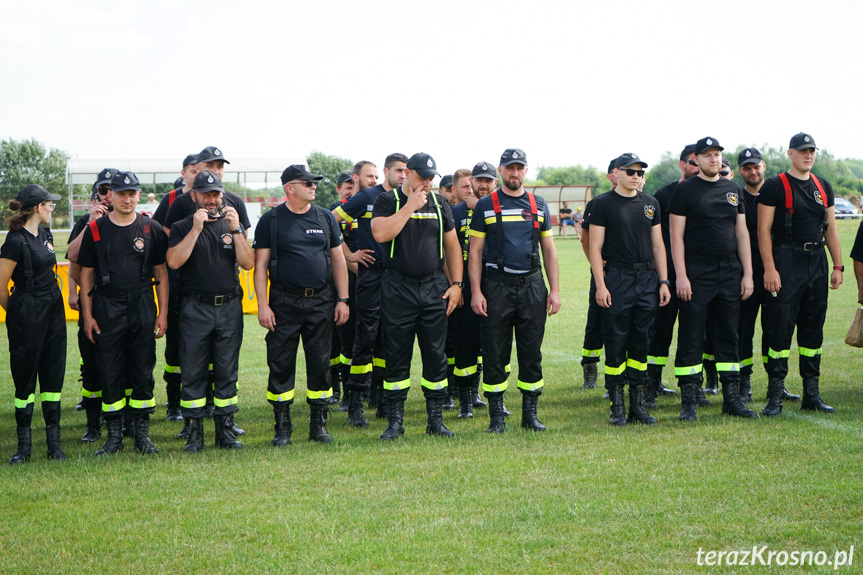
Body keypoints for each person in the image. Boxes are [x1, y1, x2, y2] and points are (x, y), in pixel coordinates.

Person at [254, 164, 350, 445]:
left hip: (321, 300)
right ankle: (282, 425)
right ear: (290, 188)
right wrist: (263, 305)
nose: (313, 186)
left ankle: (318, 424)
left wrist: (343, 299)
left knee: (321, 362)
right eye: (307, 183)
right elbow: (259, 267)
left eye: (314, 183)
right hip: (283, 302)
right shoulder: (270, 220)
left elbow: (338, 260)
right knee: (280, 362)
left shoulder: (325, 218)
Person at [371, 152, 463, 440]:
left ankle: (435, 420)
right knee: (396, 354)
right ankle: (395, 421)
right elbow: (381, 235)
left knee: (435, 355)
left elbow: (452, 247)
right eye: (422, 177)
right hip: (398, 287)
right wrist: (410, 206)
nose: (426, 183)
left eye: (430, 178)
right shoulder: (388, 201)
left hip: (434, 286)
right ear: (407, 173)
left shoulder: (439, 203)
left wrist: (456, 284)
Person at [469, 148, 561, 433]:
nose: (514, 173)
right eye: (509, 168)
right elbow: (475, 253)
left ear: (525, 171)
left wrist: (554, 290)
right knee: (495, 352)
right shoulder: (485, 206)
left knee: (531, 352)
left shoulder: (538, 204)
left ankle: (529, 414)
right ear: (501, 170)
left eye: (519, 168)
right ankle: (496, 415)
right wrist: (476, 291)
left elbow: (549, 250)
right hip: (496, 286)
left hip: (533, 287)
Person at [77, 171, 169, 455]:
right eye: (121, 194)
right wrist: (88, 316)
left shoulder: (149, 227)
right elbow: (85, 277)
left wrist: (163, 313)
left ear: (138, 196)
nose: (127, 199)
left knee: (143, 369)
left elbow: (162, 275)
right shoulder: (96, 229)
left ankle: (141, 434)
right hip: (107, 305)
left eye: (132, 194)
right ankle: (113, 435)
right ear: (111, 196)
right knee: (110, 370)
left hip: (141, 303)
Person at [162, 147, 250, 438]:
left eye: (216, 194)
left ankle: (225, 430)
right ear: (195, 196)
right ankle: (194, 430)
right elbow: (173, 262)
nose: (212, 200)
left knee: (226, 369)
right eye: (206, 195)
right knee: (194, 370)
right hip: (195, 306)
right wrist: (196, 229)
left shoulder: (231, 221)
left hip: (228, 306)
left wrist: (236, 231)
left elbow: (248, 263)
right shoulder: (183, 224)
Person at [669, 137, 757, 421]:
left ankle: (731, 399)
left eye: (717, 154)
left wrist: (748, 274)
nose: (714, 160)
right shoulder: (685, 191)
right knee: (692, 335)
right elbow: (676, 237)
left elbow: (741, 234)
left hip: (730, 271)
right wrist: (681, 276)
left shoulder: (733, 190)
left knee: (728, 334)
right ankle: (689, 401)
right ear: (696, 160)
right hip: (696, 272)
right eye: (707, 155)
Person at [758, 133, 843, 416]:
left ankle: (812, 393)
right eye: (803, 151)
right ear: (790, 153)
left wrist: (838, 265)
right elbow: (763, 231)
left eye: (812, 151)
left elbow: (830, 228)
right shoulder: (774, 186)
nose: (808, 155)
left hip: (816, 261)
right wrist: (770, 268)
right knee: (780, 328)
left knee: (813, 327)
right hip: (786, 260)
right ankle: (775, 395)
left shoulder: (823, 186)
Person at [588, 154, 670, 425]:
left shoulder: (651, 204)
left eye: (639, 172)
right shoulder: (602, 204)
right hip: (618, 278)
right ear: (616, 173)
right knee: (616, 341)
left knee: (641, 341)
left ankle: (638, 404)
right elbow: (595, 248)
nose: (636, 176)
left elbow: (658, 246)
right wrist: (601, 285)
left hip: (647, 278)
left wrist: (664, 281)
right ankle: (617, 405)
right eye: (630, 171)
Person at [333, 154, 407, 426]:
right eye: (398, 170)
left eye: (406, 171)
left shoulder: (405, 199)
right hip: (371, 277)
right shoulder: (366, 197)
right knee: (364, 338)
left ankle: (383, 400)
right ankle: (355, 404)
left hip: (398, 279)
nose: (402, 175)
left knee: (391, 340)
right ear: (387, 171)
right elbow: (330, 221)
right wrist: (348, 254)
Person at [0, 185, 67, 463]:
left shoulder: (47, 234)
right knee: (25, 375)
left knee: (53, 372)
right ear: (38, 207)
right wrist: (18, 313)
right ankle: (24, 444)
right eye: (49, 204)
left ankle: (54, 442)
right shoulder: (15, 241)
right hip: (27, 308)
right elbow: (1, 286)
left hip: (53, 307)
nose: (52, 208)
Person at [645, 144, 699, 406]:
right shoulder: (663, 195)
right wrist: (661, 277)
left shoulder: (707, 192)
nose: (696, 167)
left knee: (695, 332)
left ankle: (694, 388)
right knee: (660, 331)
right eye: (691, 162)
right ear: (682, 164)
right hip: (666, 275)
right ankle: (651, 384)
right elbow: (654, 239)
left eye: (698, 162)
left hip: (698, 274)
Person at [66, 168, 116, 440]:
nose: (108, 195)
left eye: (113, 189)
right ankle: (93, 421)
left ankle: (125, 423)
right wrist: (91, 225)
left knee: (126, 364)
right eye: (103, 190)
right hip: (93, 301)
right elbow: (72, 256)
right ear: (96, 193)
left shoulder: (135, 221)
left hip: (122, 301)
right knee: (92, 361)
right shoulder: (87, 220)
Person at [152, 153, 198, 425]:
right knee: (175, 346)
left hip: (204, 283)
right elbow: (159, 231)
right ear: (183, 173)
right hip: (177, 280)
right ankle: (173, 401)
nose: (196, 175)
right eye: (192, 170)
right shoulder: (172, 200)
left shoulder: (218, 198)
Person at [578, 158, 618, 391]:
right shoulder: (598, 204)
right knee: (597, 320)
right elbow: (585, 240)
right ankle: (590, 367)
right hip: (606, 272)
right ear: (610, 176)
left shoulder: (646, 203)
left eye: (639, 173)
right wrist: (597, 266)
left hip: (635, 274)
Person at [327, 170, 356, 406]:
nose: (350, 189)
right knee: (337, 340)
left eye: (352, 184)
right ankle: (336, 386)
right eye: (346, 186)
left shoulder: (370, 206)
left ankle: (360, 388)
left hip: (364, 282)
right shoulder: (335, 211)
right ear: (338, 189)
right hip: (341, 282)